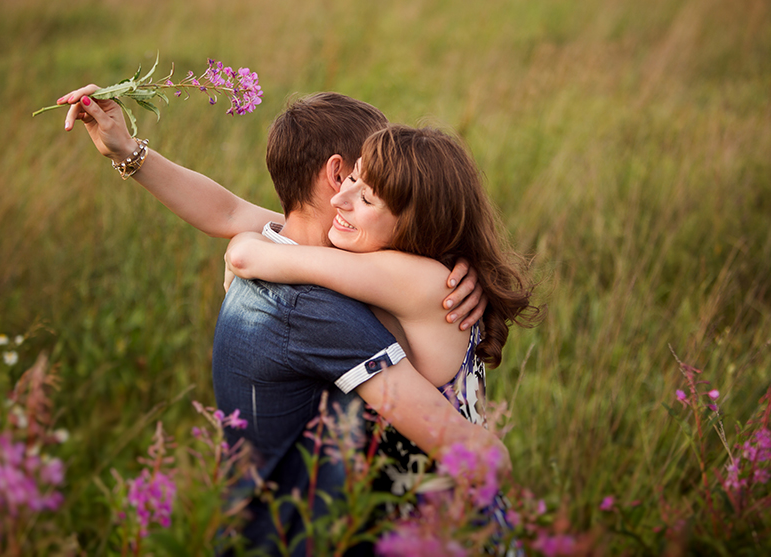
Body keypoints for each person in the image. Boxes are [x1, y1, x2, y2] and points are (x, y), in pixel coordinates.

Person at [56, 88, 505, 554]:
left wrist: (247, 250)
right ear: (337, 175)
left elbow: (248, 234)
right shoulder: (337, 289)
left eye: (372, 189)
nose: (356, 192)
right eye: (357, 176)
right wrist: (127, 150)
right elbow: (229, 213)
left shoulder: (379, 277)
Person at [224, 124, 540, 551]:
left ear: (412, 221)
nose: (339, 198)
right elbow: (238, 214)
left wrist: (239, 249)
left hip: (452, 528)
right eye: (352, 179)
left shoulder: (414, 278)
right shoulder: (404, 267)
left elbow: (253, 253)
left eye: (366, 197)